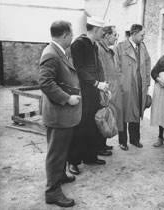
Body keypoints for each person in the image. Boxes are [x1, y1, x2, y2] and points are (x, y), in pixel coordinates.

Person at [38, 20, 81, 207]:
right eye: (71, 34)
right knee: (56, 154)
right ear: (64, 36)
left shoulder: (57, 52)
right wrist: (67, 98)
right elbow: (45, 83)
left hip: (63, 114)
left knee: (61, 150)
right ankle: (52, 192)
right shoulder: (51, 54)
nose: (72, 37)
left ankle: (60, 175)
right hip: (59, 113)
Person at [67, 16, 110, 176]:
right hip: (82, 91)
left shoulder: (94, 45)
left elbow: (98, 67)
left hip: (93, 91)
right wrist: (97, 83)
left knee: (92, 125)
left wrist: (103, 85)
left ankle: (89, 156)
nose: (103, 34)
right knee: (80, 127)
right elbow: (79, 69)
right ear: (96, 30)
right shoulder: (78, 44)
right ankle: (73, 162)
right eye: (102, 31)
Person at [114, 24, 151, 151]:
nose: (143, 37)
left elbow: (147, 64)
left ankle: (135, 139)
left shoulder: (143, 47)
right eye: (142, 35)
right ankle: (122, 141)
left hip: (139, 85)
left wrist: (147, 83)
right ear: (134, 34)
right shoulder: (120, 47)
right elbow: (116, 67)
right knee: (123, 114)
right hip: (126, 86)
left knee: (136, 112)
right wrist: (122, 83)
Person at [97, 26, 124, 141]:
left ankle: (103, 143)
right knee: (103, 116)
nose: (116, 38)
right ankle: (100, 145)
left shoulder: (108, 49)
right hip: (107, 89)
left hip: (113, 88)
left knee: (110, 116)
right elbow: (101, 71)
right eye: (115, 35)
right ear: (107, 35)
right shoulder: (100, 49)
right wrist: (105, 90)